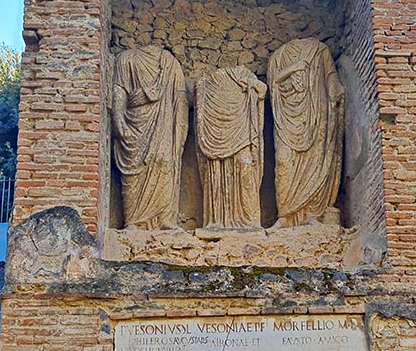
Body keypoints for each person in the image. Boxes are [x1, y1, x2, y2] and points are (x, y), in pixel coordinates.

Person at [267, 38, 345, 226]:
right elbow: (274, 83)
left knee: (317, 160)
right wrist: (294, 69)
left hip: (316, 113)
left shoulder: (319, 50)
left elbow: (330, 75)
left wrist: (335, 87)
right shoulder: (278, 57)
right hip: (286, 119)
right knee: (284, 162)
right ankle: (285, 216)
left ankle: (313, 214)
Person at [111, 45, 188, 229]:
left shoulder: (170, 63)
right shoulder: (126, 59)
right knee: (133, 167)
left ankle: (164, 219)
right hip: (135, 121)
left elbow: (181, 96)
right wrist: (118, 118)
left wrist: (181, 127)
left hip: (164, 123)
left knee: (164, 163)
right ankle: (132, 221)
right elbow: (119, 90)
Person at [194, 65, 266, 231]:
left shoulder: (244, 73)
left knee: (245, 166)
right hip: (215, 132)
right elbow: (197, 94)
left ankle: (250, 221)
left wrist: (251, 84)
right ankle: (216, 221)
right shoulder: (207, 80)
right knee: (216, 172)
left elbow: (262, 89)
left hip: (241, 132)